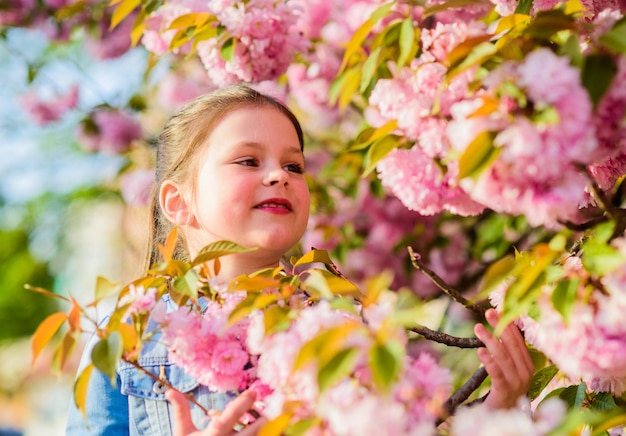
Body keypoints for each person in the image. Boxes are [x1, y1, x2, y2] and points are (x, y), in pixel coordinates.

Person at [65, 84, 533, 436]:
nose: (278, 175)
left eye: (294, 166)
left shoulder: (344, 323)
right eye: (248, 161)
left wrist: (501, 410)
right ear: (177, 201)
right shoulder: (131, 338)